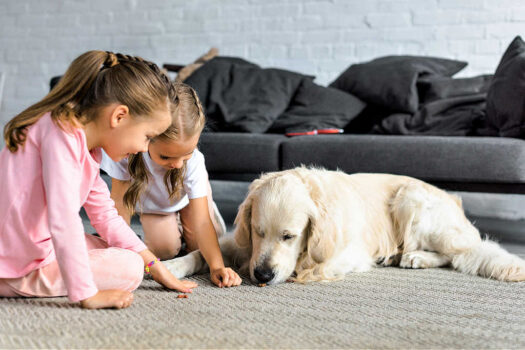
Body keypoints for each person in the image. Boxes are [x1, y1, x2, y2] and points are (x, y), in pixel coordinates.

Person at [0, 50, 197, 309]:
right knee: (130, 268)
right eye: (147, 136)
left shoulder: (84, 145)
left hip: (32, 244)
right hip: (17, 259)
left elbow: (105, 215)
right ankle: (11, 282)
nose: (142, 148)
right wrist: (87, 293)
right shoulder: (60, 137)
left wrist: (155, 265)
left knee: (121, 249)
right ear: (119, 116)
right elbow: (64, 221)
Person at [101, 83, 242, 288]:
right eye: (166, 156)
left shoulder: (194, 163)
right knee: (164, 250)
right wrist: (118, 251)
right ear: (148, 136)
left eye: (186, 155)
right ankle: (173, 227)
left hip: (188, 200)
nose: (176, 164)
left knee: (202, 249)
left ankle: (206, 215)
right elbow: (120, 206)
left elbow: (202, 222)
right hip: (156, 207)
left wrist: (217, 266)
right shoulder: (127, 153)